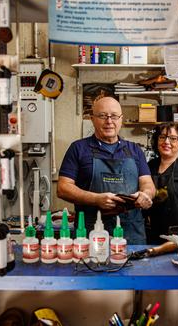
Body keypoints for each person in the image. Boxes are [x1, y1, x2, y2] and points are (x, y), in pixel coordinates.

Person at [57, 96, 155, 244]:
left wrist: (145, 195)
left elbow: (147, 184)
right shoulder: (78, 148)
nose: (109, 121)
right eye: (102, 116)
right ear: (92, 118)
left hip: (131, 232)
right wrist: (96, 199)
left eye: (114, 116)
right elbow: (63, 188)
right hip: (91, 231)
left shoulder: (135, 150)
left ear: (121, 119)